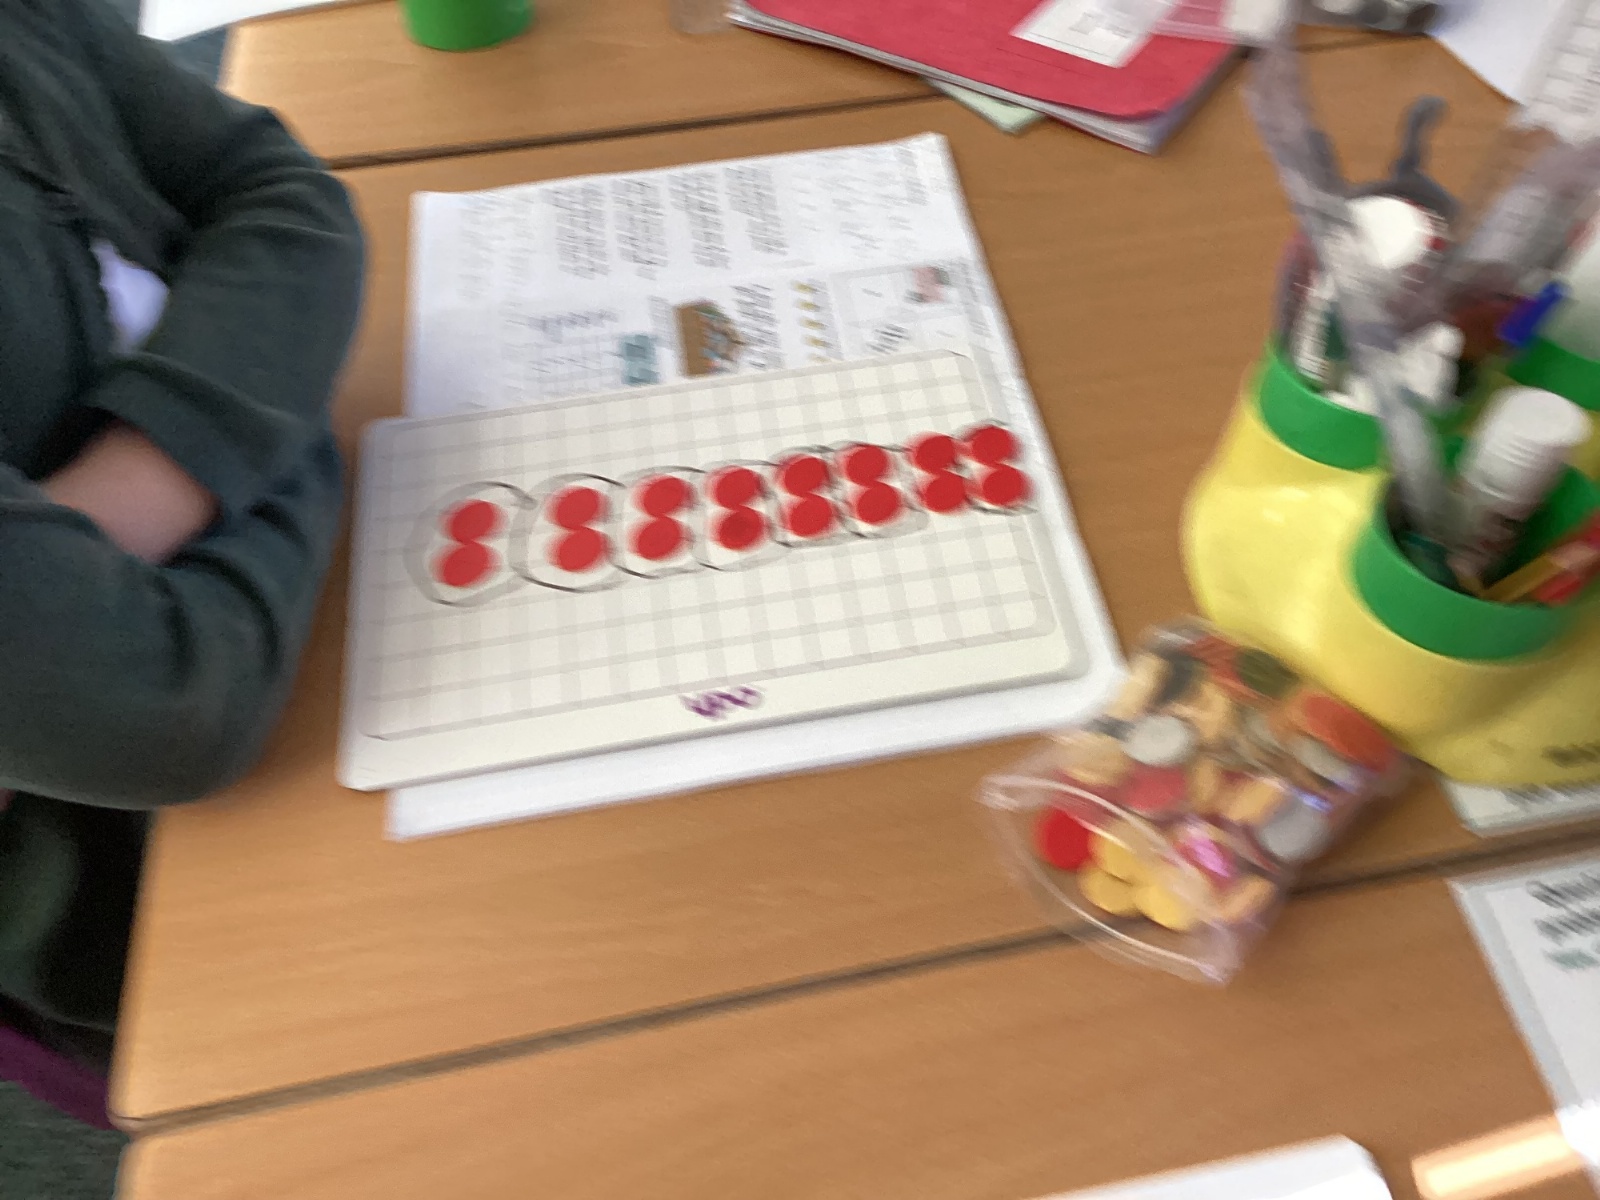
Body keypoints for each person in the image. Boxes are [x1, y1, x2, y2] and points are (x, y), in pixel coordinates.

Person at [0, 0, 364, 1075]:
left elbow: (283, 193)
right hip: (137, 890)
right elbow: (169, 702)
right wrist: (287, 391)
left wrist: (145, 486)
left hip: (305, 604)